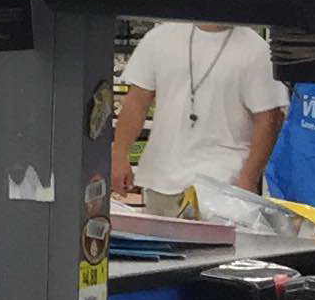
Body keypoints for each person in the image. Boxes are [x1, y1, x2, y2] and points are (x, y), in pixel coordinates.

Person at [115, 20, 289, 203]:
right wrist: (119, 155)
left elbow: (269, 119)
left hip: (222, 185)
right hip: (159, 181)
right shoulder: (160, 37)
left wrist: (248, 179)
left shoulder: (256, 50)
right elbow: (136, 101)